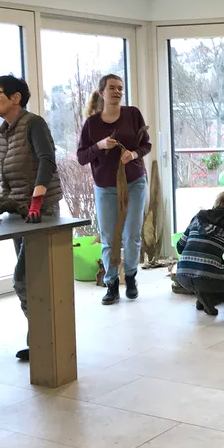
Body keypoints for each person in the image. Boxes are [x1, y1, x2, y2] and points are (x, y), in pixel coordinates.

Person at [0, 75, 62, 362]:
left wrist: (36, 200)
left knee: (25, 279)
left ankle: (46, 340)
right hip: (18, 212)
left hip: (40, 214)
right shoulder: (4, 133)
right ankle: (39, 340)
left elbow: (47, 159)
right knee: (31, 281)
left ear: (16, 98)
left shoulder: (33, 123)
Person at [77, 74, 151, 305]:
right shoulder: (92, 124)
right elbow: (81, 157)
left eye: (120, 88)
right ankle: (111, 284)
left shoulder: (133, 114)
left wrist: (134, 154)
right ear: (102, 93)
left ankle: (130, 277)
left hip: (134, 182)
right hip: (105, 186)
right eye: (112, 88)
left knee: (131, 235)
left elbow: (145, 144)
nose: (117, 92)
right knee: (109, 238)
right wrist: (99, 146)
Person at [175, 191, 224, 316]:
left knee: (217, 267)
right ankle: (211, 298)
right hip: (208, 278)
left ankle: (203, 297)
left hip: (182, 276)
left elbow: (180, 247)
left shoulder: (198, 217)